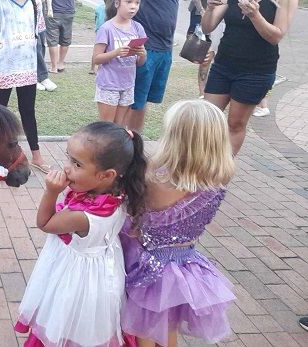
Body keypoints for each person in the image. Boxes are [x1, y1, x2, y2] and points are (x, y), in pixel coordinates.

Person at [14, 121, 147, 346]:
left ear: (106, 175)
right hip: (103, 272)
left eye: (76, 164)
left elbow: (44, 222)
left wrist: (51, 191)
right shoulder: (118, 192)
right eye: (68, 158)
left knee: (67, 319)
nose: (67, 168)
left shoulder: (83, 216)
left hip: (76, 277)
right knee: (91, 326)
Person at [121, 100, 236, 346]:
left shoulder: (153, 180)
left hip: (147, 265)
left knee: (146, 332)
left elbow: (130, 208)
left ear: (174, 137)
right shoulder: (218, 180)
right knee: (167, 328)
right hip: (184, 265)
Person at [202, 0, 298, 154]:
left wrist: (254, 15)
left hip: (256, 71)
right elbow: (207, 27)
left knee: (235, 124)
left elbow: (275, 36)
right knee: (206, 119)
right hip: (223, 65)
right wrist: (209, 8)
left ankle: (222, 172)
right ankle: (203, 164)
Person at [0, 0, 50, 173]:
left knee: (28, 111)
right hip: (2, 66)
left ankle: (36, 156)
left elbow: (38, 35)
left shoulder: (34, 3)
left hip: (27, 66)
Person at [122, 0, 180, 133]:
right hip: (145, 47)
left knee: (143, 99)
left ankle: (134, 141)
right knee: (131, 99)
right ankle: (121, 142)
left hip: (165, 48)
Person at [92, 0, 147, 124]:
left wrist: (143, 54)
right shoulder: (106, 28)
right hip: (109, 85)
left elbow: (139, 62)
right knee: (107, 128)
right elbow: (96, 58)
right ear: (117, 3)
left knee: (120, 128)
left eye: (137, 3)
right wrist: (116, 53)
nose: (133, 7)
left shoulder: (138, 28)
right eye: (129, 2)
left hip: (128, 85)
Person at [45, 0, 76, 74]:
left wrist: (49, 8)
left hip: (54, 11)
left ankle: (54, 67)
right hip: (69, 11)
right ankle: (61, 64)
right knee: (66, 38)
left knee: (52, 40)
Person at [36, 0, 58, 91]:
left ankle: (39, 77)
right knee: (36, 48)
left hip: (39, 16)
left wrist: (49, 8)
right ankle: (41, 77)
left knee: (41, 47)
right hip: (29, 17)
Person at [89, 0, 109, 75]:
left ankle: (92, 68)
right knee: (104, 50)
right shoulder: (112, 9)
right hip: (107, 30)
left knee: (96, 50)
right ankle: (99, 69)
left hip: (98, 30)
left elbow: (96, 19)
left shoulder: (99, 7)